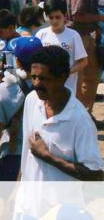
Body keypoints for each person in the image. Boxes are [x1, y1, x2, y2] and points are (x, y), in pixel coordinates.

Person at [15, 46, 104, 218]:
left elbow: (95, 174)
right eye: (33, 77)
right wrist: (17, 192)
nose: (36, 84)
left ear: (62, 77)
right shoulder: (32, 100)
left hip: (60, 212)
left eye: (43, 78)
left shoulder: (80, 120)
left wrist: (48, 157)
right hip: (25, 207)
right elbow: (27, 155)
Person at [0, 36, 41, 181]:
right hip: (42, 154)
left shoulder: (5, 89)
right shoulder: (51, 86)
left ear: (18, 61)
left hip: (13, 152)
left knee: (8, 194)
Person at [64, 0, 104, 118]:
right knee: (79, 81)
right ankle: (79, 117)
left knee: (91, 77)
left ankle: (86, 116)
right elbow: (77, 15)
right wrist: (101, 18)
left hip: (87, 35)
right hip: (78, 37)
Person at [35, 0, 88, 98]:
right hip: (46, 87)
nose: (54, 21)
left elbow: (83, 61)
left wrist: (67, 72)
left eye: (58, 17)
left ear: (64, 15)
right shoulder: (41, 35)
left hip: (67, 87)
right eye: (51, 17)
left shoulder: (73, 36)